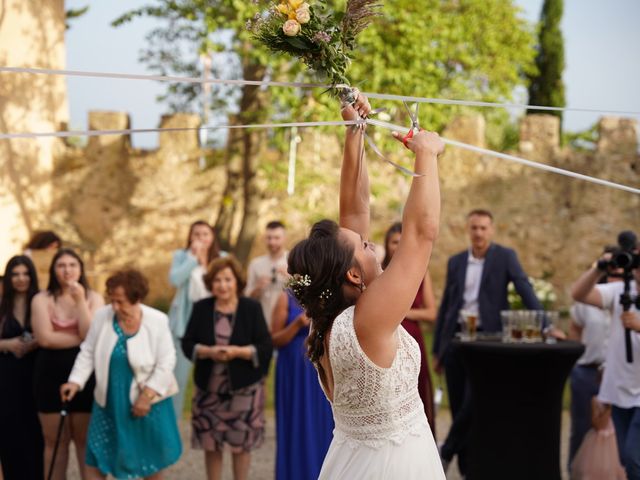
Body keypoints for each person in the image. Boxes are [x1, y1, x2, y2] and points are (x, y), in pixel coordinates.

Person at [286, 91, 445, 478]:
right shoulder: (368, 320)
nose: (371, 243)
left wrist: (354, 131)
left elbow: (354, 212)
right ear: (353, 275)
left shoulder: (332, 317)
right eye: (366, 245)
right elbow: (421, 235)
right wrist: (427, 155)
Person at [432, 209, 545, 475]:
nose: (479, 233)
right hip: (457, 341)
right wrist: (438, 348)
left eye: (483, 228)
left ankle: (446, 452)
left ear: (491, 230)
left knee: (476, 402)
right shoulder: (456, 261)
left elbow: (523, 287)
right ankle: (466, 468)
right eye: (474, 228)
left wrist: (545, 324)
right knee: (460, 405)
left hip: (489, 341)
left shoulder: (505, 257)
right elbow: (447, 305)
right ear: (468, 230)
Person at [61, 269, 182, 479]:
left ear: (137, 298)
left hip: (147, 400)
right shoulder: (102, 316)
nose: (115, 307)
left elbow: (167, 360)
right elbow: (88, 350)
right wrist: (75, 381)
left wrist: (147, 395)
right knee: (96, 458)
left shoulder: (157, 320)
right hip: (109, 400)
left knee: (149, 459)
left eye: (121, 302)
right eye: (112, 300)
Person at [182, 256, 273, 480]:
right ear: (210, 283)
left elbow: (265, 345)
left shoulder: (251, 307)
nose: (222, 285)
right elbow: (187, 343)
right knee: (211, 444)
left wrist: (238, 352)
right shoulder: (201, 308)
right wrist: (208, 352)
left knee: (241, 446)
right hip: (208, 391)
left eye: (227, 280)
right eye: (217, 280)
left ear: (237, 282)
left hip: (244, 389)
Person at [31, 248, 104, 480]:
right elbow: (44, 339)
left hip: (86, 376)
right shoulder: (41, 299)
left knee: (85, 442)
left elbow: (91, 332)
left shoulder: (94, 298)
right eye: (61, 265)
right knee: (55, 441)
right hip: (50, 374)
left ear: (81, 269)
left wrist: (80, 301)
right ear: (54, 270)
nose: (67, 270)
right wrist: (83, 339)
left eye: (72, 265)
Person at [571, 237, 640, 480]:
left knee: (634, 458)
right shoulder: (622, 290)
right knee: (626, 458)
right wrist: (600, 267)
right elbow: (578, 294)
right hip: (619, 389)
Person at [271, 290, 334, 480]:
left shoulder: (329, 294)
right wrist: (297, 324)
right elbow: (274, 339)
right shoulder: (285, 297)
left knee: (323, 423)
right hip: (294, 369)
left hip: (320, 368)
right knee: (297, 422)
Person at [382, 221, 438, 434]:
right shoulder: (378, 271)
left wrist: (403, 312)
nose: (397, 246)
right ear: (387, 245)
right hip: (387, 339)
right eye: (394, 242)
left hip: (413, 339)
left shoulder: (421, 272)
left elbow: (431, 313)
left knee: (417, 390)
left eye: (401, 242)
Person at [567, 250, 620, 469]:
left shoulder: (625, 297)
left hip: (616, 373)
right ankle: (576, 471)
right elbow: (575, 328)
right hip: (588, 370)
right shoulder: (590, 298)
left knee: (616, 429)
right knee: (581, 427)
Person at [168, 220, 224, 417]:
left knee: (214, 379)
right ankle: (173, 425)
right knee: (177, 379)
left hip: (214, 325)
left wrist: (203, 263)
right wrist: (192, 259)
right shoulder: (181, 256)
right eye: (196, 234)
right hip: (184, 325)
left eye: (205, 234)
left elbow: (220, 287)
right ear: (190, 237)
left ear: (212, 237)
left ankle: (213, 420)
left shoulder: (222, 258)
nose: (200, 238)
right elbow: (174, 280)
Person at [0, 256, 43, 480]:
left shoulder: (42, 301)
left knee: (36, 432)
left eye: (25, 273)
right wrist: (7, 344)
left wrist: (37, 340)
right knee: (9, 432)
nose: (21, 279)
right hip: (6, 376)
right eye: (15, 274)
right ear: (9, 277)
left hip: (36, 374)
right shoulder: (2, 304)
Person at [245, 221, 288, 328]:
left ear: (284, 238)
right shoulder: (255, 264)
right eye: (269, 238)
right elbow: (246, 298)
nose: (272, 242)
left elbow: (306, 292)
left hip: (288, 326)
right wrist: (257, 288)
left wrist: (290, 277)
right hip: (262, 323)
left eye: (277, 238)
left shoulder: (294, 260)